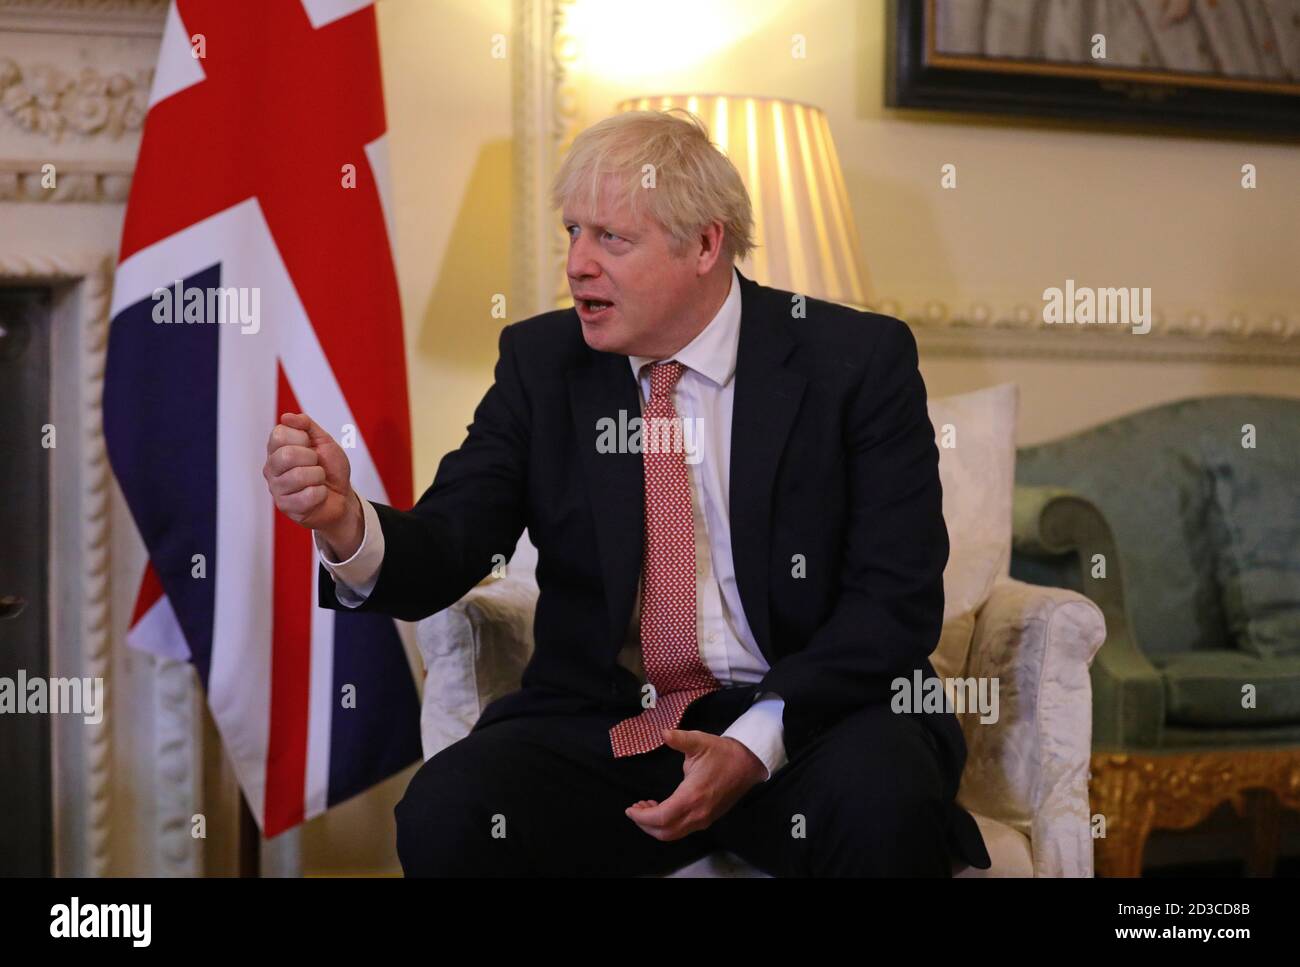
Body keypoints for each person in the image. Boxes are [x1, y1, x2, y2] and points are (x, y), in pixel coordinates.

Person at [262, 109, 991, 877]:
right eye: (572, 231)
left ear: (706, 244)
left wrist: (754, 743)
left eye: (611, 238)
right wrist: (346, 523)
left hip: (811, 721)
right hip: (616, 725)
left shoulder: (853, 361)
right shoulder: (544, 364)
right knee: (452, 811)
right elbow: (452, 539)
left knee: (885, 799)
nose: (577, 264)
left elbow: (896, 600)